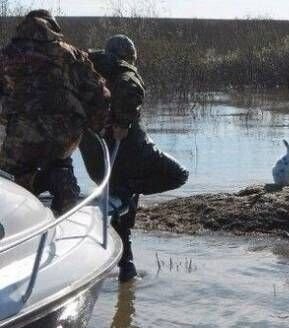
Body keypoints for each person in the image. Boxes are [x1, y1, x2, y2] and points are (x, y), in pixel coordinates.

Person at [80, 35, 189, 282]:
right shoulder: (123, 71)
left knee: (121, 205)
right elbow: (130, 88)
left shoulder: (86, 68)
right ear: (129, 56)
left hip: (97, 157)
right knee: (178, 174)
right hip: (128, 151)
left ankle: (126, 268)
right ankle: (124, 195)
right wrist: (123, 122)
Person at [0, 10, 110, 214]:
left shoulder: (7, 55)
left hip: (21, 134)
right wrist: (98, 125)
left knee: (14, 183)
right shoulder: (71, 54)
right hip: (64, 134)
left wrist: (7, 117)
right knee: (61, 163)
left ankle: (25, 218)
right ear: (53, 28)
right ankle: (62, 189)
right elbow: (98, 93)